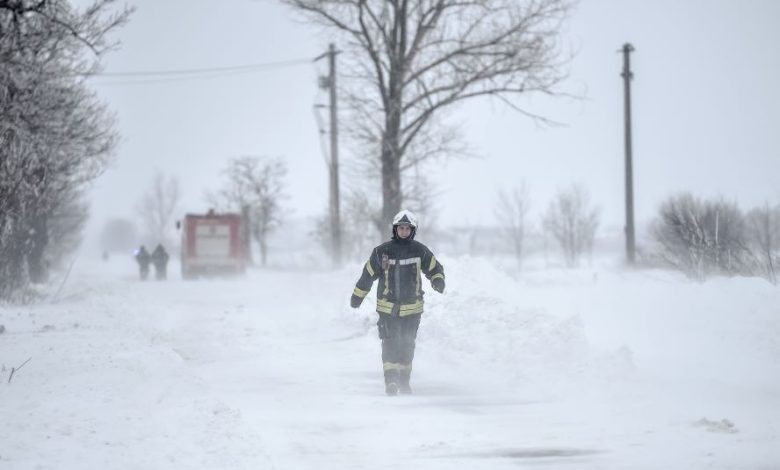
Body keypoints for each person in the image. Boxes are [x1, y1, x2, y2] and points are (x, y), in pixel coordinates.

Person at [350, 209, 445, 396]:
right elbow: (367, 275)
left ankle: (404, 381)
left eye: (407, 229)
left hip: (412, 309)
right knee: (390, 344)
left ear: (412, 231)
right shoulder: (381, 252)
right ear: (395, 230)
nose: (403, 231)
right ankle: (391, 381)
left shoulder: (420, 251)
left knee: (407, 345)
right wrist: (357, 296)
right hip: (388, 309)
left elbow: (435, 268)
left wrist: (437, 280)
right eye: (400, 228)